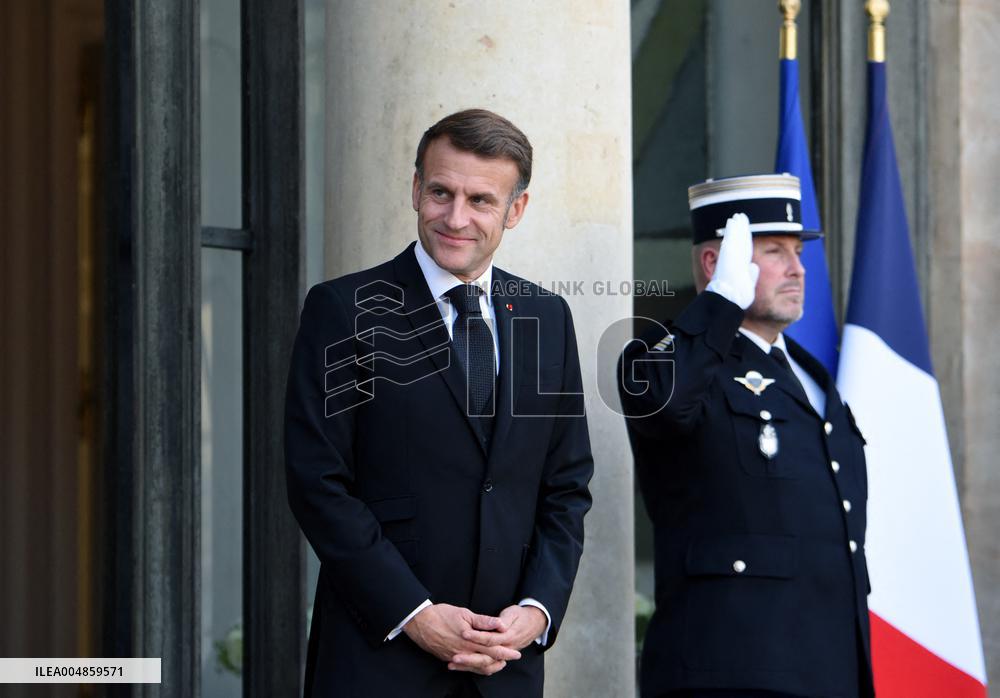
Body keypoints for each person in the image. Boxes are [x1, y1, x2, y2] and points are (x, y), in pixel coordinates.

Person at [285, 108, 594, 698]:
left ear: (515, 210)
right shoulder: (343, 310)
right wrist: (416, 615)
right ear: (415, 189)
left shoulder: (548, 317)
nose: (455, 218)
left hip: (505, 664)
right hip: (380, 660)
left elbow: (566, 486)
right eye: (440, 192)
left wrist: (538, 608)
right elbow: (317, 483)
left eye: (480, 200)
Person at [619, 174, 874, 698]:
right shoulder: (662, 361)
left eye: (798, 251)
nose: (798, 268)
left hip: (828, 670)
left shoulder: (809, 374)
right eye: (774, 251)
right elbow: (667, 406)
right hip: (730, 671)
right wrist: (722, 301)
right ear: (716, 263)